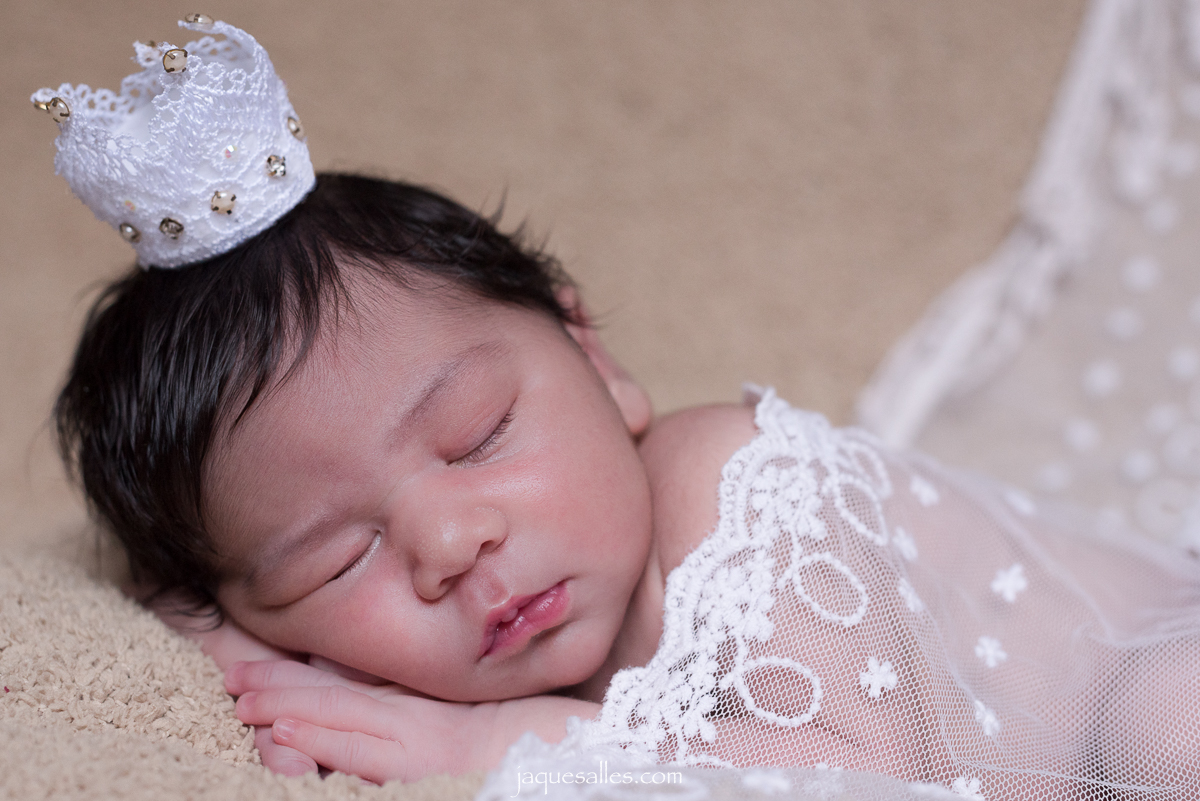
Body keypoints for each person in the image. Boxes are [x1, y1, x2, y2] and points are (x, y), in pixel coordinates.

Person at [39, 17, 1200, 800]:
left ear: (595, 359)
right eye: (335, 561)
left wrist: (507, 747)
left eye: (479, 435)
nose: (451, 544)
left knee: (1166, 723)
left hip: (1152, 680)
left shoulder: (729, 487)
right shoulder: (404, 646)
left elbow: (866, 775)